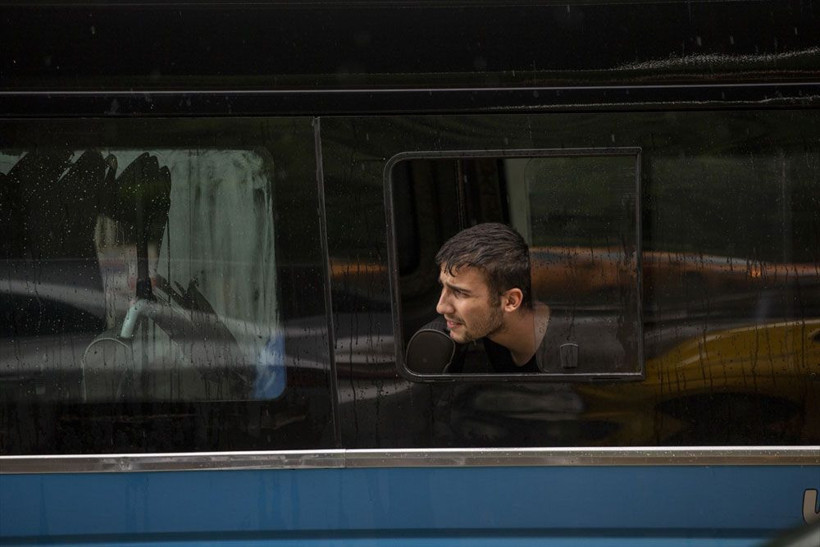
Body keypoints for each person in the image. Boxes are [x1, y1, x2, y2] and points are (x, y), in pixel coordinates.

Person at [433, 222, 553, 374]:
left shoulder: (571, 354)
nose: (441, 307)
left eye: (460, 293)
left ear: (510, 301)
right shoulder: (488, 334)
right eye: (443, 287)